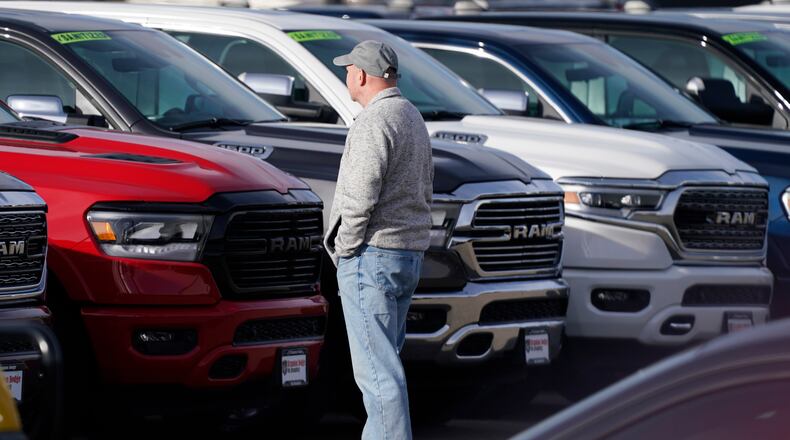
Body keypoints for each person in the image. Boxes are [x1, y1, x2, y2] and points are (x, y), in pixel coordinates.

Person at [324, 40, 433, 440]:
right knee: (387, 366)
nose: (346, 76)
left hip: (372, 257)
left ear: (362, 75)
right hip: (407, 255)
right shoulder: (411, 115)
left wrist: (344, 249)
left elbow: (359, 194)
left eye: (348, 69)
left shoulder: (374, 122)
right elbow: (425, 188)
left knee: (378, 376)